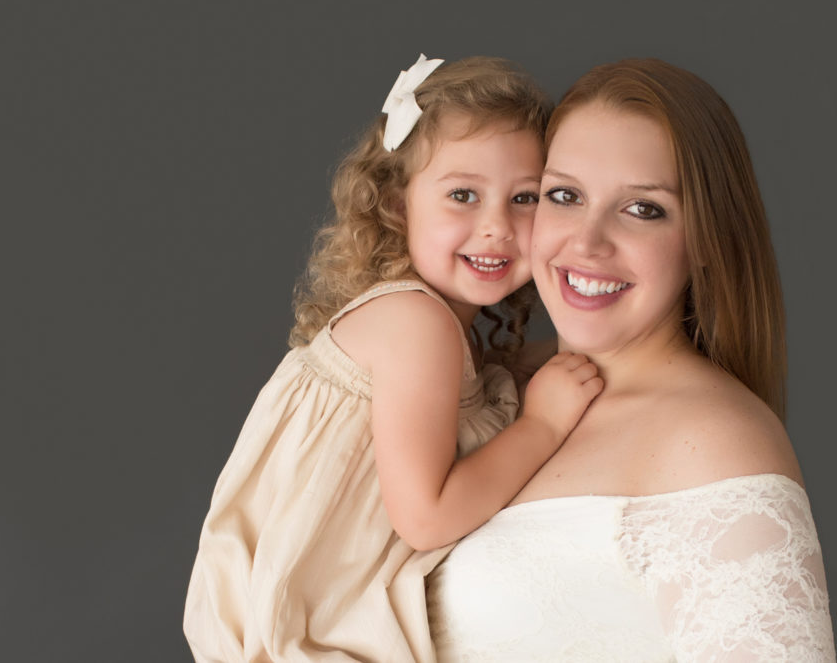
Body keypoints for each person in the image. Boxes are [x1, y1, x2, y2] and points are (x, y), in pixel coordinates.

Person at [183, 55, 603, 662]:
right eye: (463, 194)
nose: (496, 227)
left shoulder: (430, 330)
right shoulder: (417, 325)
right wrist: (543, 425)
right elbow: (428, 518)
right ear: (398, 203)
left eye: (526, 198)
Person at [428, 58, 836, 661]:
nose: (587, 242)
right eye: (564, 195)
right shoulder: (494, 388)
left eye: (643, 209)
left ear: (705, 240)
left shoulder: (713, 440)